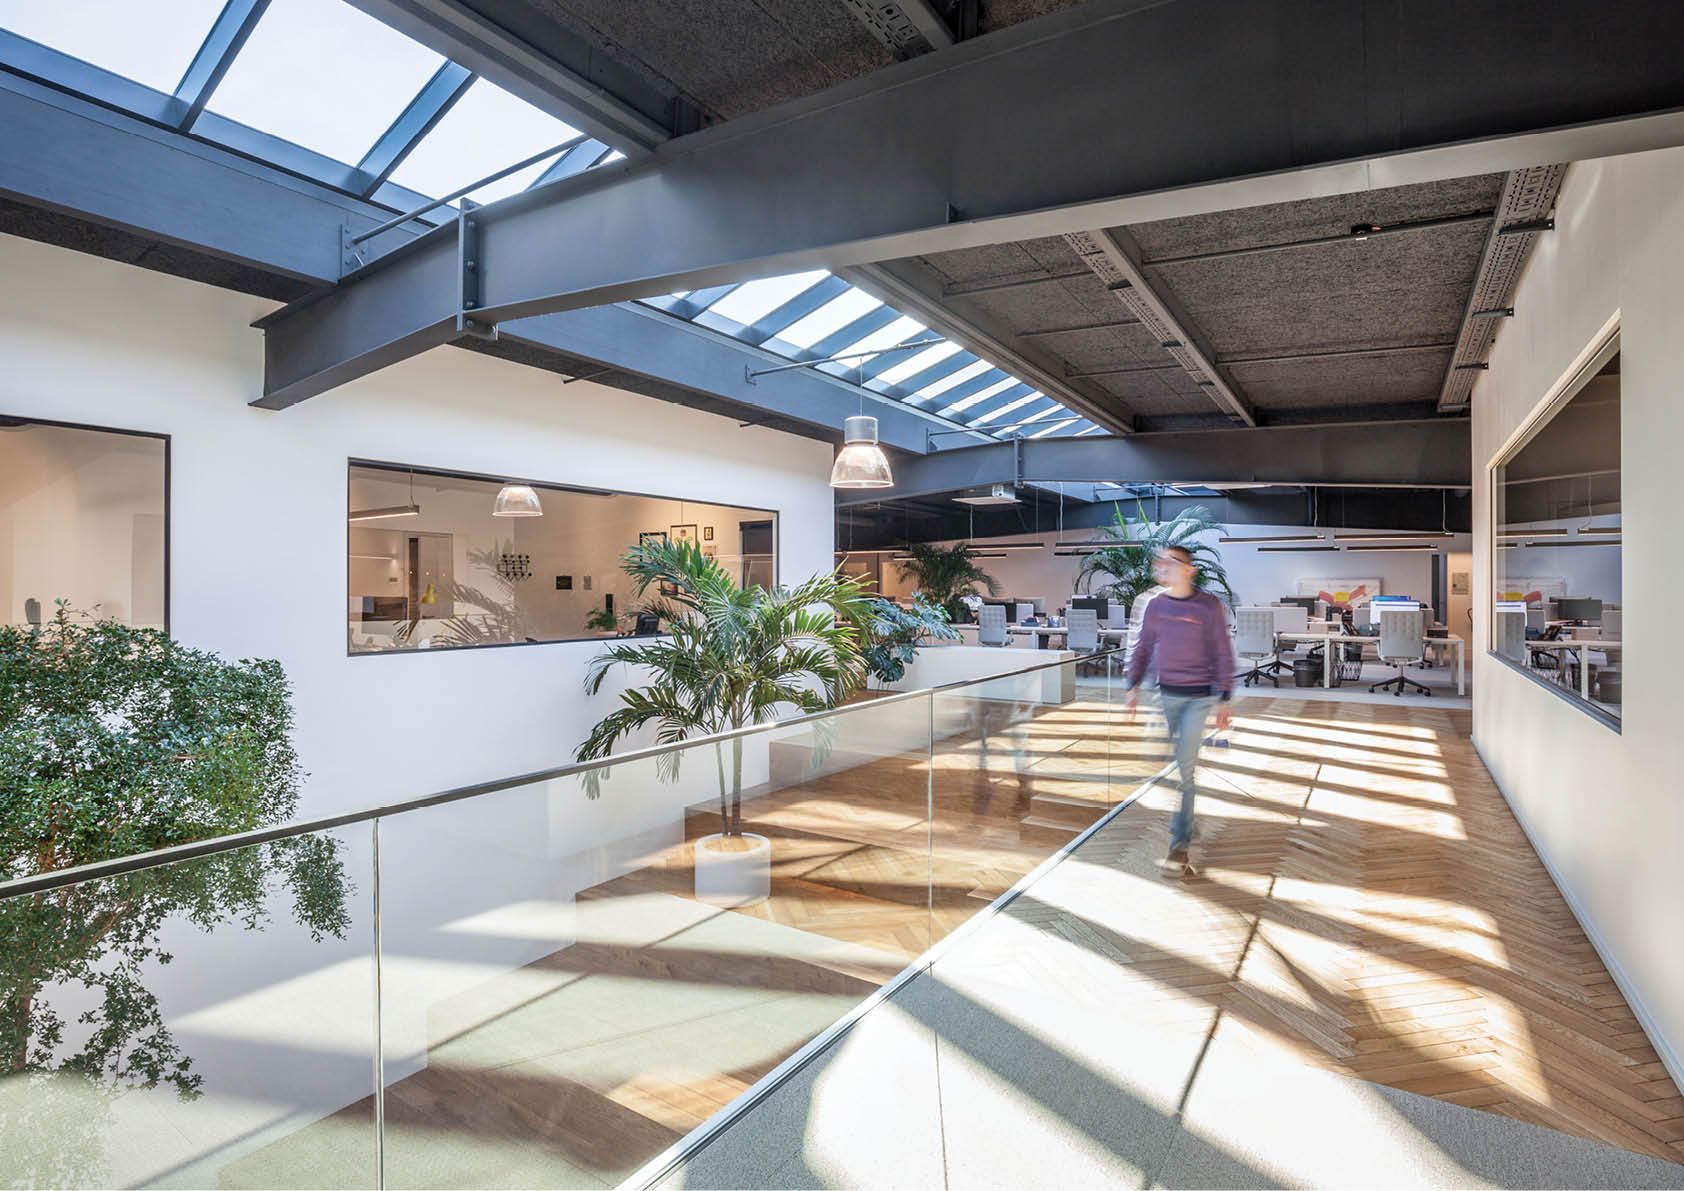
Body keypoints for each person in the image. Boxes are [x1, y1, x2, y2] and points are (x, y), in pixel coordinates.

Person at [1123, 545, 1235, 869]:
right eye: (1159, 562)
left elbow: (1222, 652)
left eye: (1169, 562)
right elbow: (1143, 647)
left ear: (1189, 569)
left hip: (1198, 699)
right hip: (1165, 697)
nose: (1161, 566)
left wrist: (1224, 698)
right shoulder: (1155, 605)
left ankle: (1180, 845)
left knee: (1185, 770)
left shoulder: (1208, 606)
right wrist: (1132, 686)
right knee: (1168, 767)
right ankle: (1186, 818)